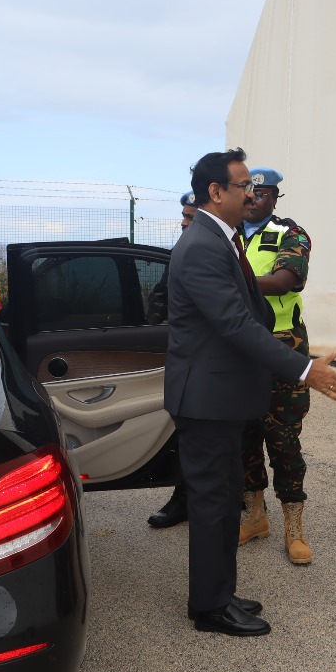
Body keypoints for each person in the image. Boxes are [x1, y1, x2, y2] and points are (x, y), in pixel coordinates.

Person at [164, 148, 336, 637]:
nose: (251, 192)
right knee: (212, 506)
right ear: (216, 192)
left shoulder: (219, 238)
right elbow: (234, 324)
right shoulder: (204, 245)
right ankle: (209, 607)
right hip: (206, 402)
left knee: (225, 502)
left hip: (219, 399)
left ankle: (219, 592)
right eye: (243, 184)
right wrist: (305, 368)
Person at [236, 168, 316, 564]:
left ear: (275, 198)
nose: (254, 199)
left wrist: (226, 279)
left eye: (263, 193)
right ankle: (254, 518)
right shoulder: (227, 235)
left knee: (284, 441)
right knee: (243, 436)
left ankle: (294, 529)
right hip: (237, 349)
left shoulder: (290, 234)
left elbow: (285, 279)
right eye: (249, 192)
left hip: (283, 346)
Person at [146, 191, 200, 529]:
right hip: (191, 360)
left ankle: (246, 500)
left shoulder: (227, 251)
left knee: (244, 436)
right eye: (184, 215)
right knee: (188, 434)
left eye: (190, 217)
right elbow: (158, 303)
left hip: (230, 363)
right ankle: (184, 499)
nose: (183, 222)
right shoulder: (181, 253)